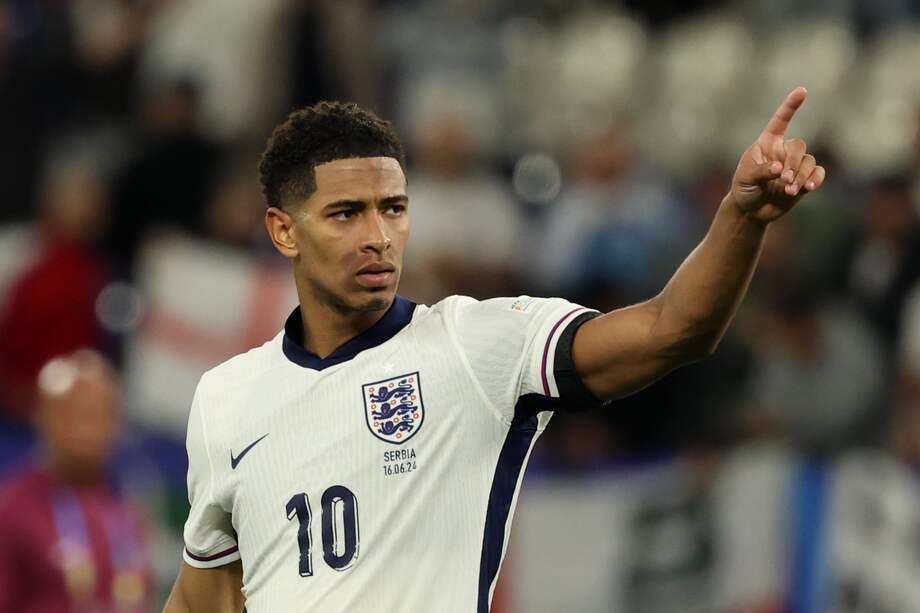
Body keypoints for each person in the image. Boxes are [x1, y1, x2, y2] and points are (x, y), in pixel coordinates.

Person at [164, 89, 826, 612]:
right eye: (346, 214)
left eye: (393, 208)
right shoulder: (225, 397)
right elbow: (205, 597)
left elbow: (671, 329)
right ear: (284, 231)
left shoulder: (472, 345)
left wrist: (740, 218)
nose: (379, 236)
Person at [0, 350, 153, 612]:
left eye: (99, 414)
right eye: (70, 414)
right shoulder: (13, 510)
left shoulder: (128, 511)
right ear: (41, 417)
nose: (85, 428)